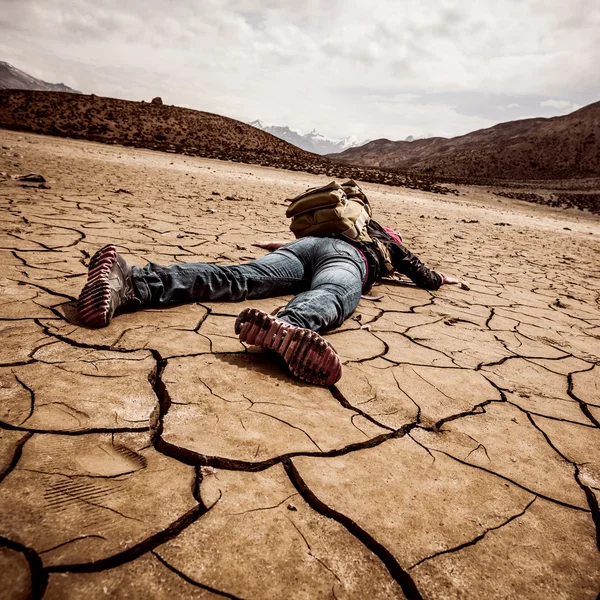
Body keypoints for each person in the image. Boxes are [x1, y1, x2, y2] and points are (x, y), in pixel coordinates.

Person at [77, 217, 459, 387]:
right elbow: (421, 274)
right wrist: (440, 278)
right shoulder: (385, 240)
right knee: (336, 291)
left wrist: (278, 246)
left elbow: (305, 243)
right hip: (345, 260)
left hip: (300, 249)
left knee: (238, 277)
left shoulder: (334, 225)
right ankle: (293, 325)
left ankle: (130, 282)